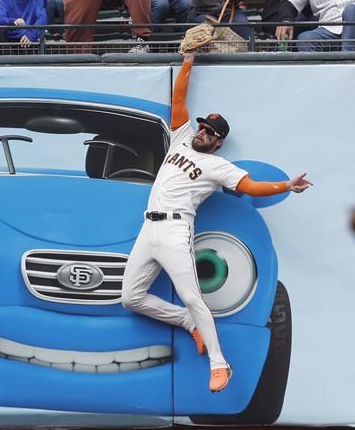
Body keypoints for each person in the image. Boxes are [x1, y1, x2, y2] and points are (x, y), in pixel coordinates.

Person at [121, 50, 312, 393]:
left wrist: (286, 185)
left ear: (218, 142)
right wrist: (188, 61)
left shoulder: (219, 167)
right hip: (148, 228)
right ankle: (186, 323)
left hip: (177, 229)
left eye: (210, 132)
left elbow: (251, 186)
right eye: (203, 127)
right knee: (130, 298)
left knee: (193, 297)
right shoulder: (181, 138)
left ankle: (219, 363)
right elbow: (178, 98)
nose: (203, 132)